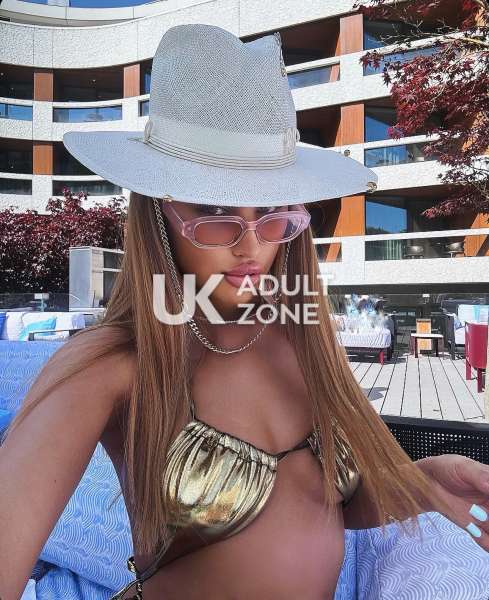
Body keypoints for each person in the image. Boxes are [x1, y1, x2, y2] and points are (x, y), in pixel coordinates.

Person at [1, 23, 488, 600]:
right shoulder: (112, 364)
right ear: (158, 214)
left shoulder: (303, 338)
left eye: (273, 213)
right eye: (216, 212)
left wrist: (423, 485)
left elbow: (321, 507)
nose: (251, 246)